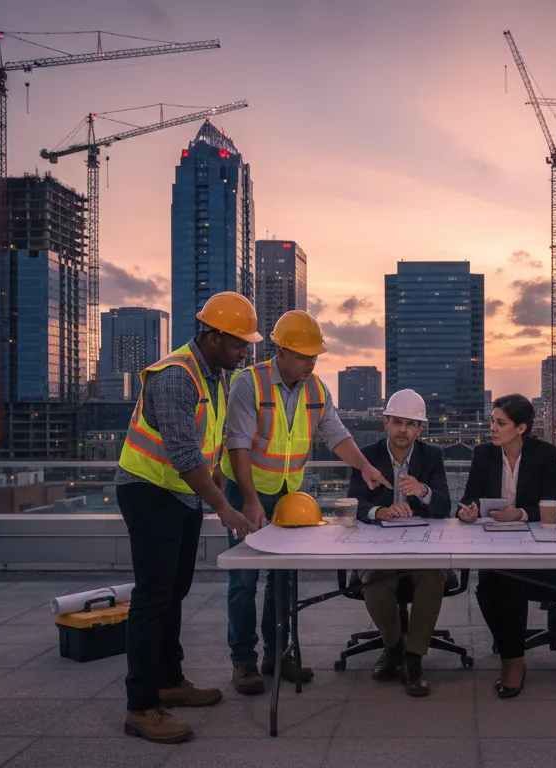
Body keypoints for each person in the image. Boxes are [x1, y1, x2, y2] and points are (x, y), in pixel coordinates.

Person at [113, 292, 260, 744]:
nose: (245, 352)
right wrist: (224, 507)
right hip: (150, 491)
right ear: (213, 337)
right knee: (152, 597)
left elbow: (204, 444)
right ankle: (141, 706)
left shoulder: (212, 375)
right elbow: (181, 455)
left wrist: (213, 483)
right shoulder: (177, 376)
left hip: (180, 494)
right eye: (238, 343)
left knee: (174, 592)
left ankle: (169, 680)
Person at [221, 309, 390, 696]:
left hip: (289, 495)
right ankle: (243, 662)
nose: (310, 363)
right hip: (247, 491)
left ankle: (277, 656)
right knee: (243, 580)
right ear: (280, 351)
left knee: (284, 578)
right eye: (302, 356)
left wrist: (364, 466)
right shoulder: (249, 383)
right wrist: (250, 500)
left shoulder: (316, 390)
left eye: (314, 356)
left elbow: (336, 434)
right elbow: (237, 445)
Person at [457, 394, 556, 699]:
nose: (492, 429)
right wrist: (467, 511)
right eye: (492, 422)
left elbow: (554, 503)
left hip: (536, 546)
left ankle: (514, 663)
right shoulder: (483, 454)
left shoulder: (544, 454)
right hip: (495, 542)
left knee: (508, 582)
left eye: (500, 423)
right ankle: (510, 647)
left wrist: (520, 513)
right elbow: (468, 497)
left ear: (521, 428)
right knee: (486, 587)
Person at [347, 389, 452, 696]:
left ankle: (413, 660)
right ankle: (393, 648)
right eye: (397, 422)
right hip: (378, 548)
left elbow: (444, 507)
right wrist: (379, 511)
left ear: (419, 429)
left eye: (410, 424)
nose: (403, 430)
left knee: (433, 576)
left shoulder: (432, 456)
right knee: (374, 580)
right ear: (386, 424)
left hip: (420, 547)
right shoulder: (367, 456)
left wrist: (423, 491)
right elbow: (354, 503)